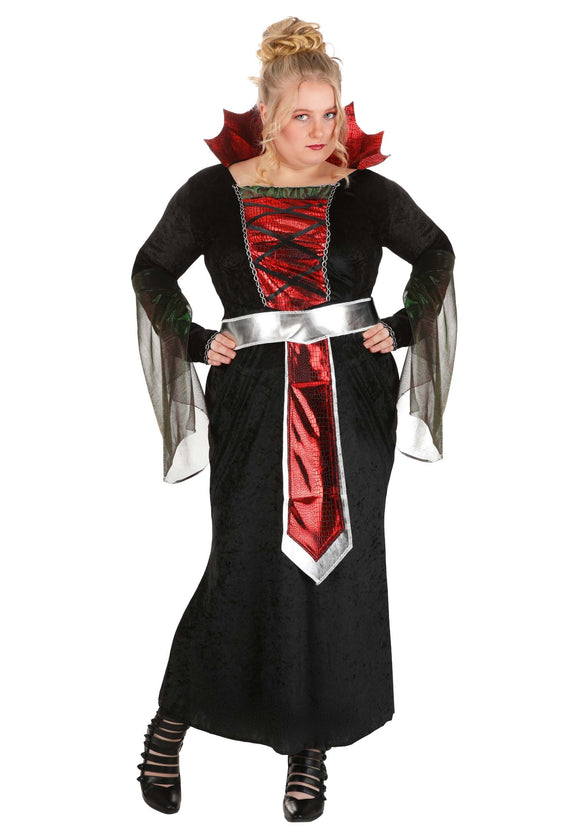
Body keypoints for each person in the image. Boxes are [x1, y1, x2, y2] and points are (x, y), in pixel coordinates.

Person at [132, 16, 456, 823]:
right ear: (268, 116)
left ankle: (309, 748)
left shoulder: (366, 194)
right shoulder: (212, 194)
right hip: (253, 402)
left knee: (336, 570)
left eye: (331, 113)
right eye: (302, 115)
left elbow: (437, 252)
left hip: (353, 403)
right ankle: (171, 722)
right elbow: (151, 269)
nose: (320, 131)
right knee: (243, 563)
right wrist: (194, 339)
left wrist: (405, 325)